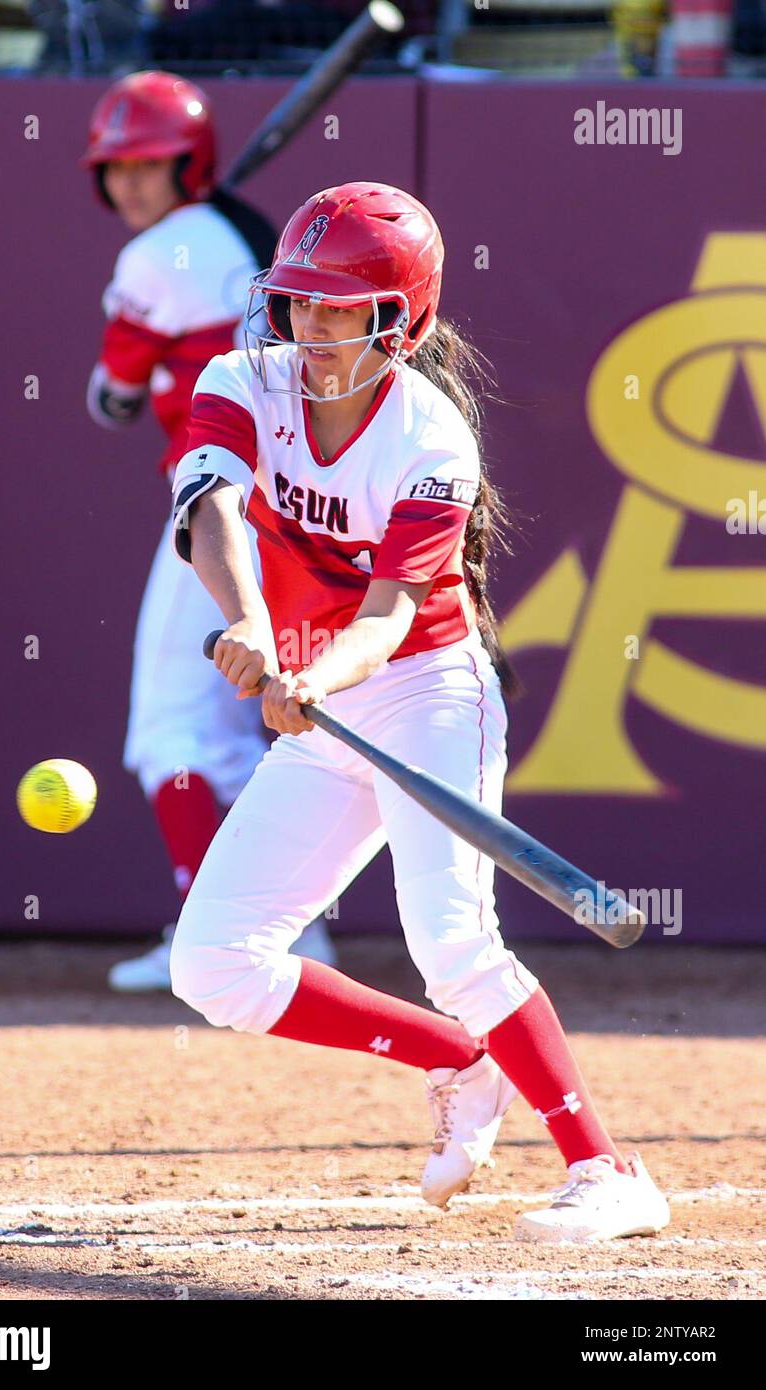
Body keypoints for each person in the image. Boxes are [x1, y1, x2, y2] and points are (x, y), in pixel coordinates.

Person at [167, 181, 671, 1239]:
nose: (315, 328)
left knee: (449, 936)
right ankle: (459, 1059)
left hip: (426, 688)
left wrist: (316, 676)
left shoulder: (431, 436)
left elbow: (391, 616)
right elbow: (211, 507)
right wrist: (254, 624)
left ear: (402, 320)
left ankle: (607, 1170)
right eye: (301, 301)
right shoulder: (238, 379)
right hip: (311, 688)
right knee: (212, 961)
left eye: (344, 308)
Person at [83, 71, 336, 990]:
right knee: (240, 733)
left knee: (172, 730)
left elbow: (110, 399)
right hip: (302, 504)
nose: (132, 185)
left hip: (217, 503)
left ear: (188, 161)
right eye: (118, 168)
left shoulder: (161, 254)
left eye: (151, 164)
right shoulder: (248, 233)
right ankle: (287, 938)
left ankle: (213, 933)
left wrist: (129, 379)